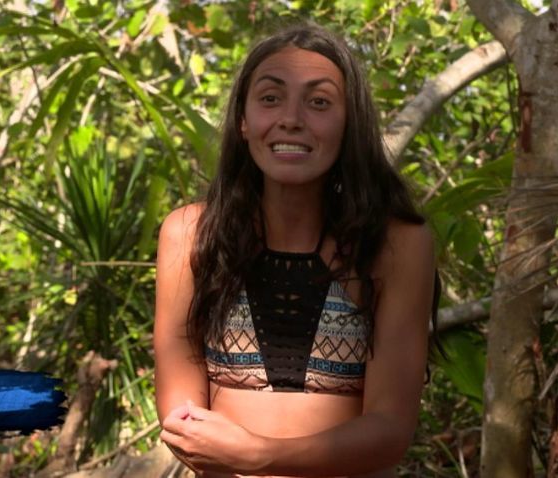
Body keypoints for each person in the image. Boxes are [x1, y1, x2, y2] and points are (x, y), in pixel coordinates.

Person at [153, 23, 438, 478]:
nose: (291, 118)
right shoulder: (190, 235)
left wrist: (257, 455)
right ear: (243, 120)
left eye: (319, 102)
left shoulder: (395, 245)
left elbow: (390, 429)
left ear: (349, 124)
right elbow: (181, 416)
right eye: (270, 98)